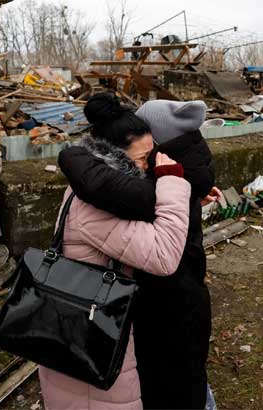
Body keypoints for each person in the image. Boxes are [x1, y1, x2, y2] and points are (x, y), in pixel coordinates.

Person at [59, 98, 217, 409]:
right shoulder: (95, 206)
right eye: (144, 159)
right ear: (113, 157)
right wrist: (173, 183)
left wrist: (190, 203)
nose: (149, 168)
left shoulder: (108, 192)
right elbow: (163, 256)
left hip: (107, 312)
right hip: (95, 324)